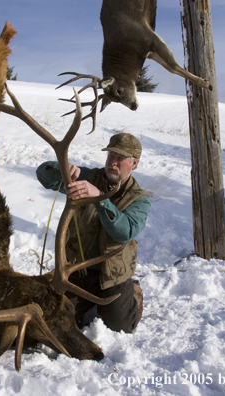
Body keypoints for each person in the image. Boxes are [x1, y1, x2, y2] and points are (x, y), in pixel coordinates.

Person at [36, 133, 150, 333]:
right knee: (55, 318)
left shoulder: (139, 200)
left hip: (112, 275)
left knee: (120, 326)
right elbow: (43, 176)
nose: (112, 163)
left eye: (119, 158)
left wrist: (99, 199)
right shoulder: (90, 178)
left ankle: (134, 292)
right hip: (76, 269)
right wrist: (61, 170)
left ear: (134, 164)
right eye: (110, 156)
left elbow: (124, 231)